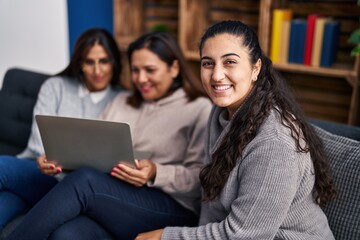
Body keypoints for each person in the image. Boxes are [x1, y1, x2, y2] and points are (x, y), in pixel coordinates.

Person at [135, 20, 337, 240]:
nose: (216, 75)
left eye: (230, 62)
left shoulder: (274, 143)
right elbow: (209, 185)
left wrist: (164, 237)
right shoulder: (222, 114)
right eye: (207, 63)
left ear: (255, 68)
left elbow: (243, 235)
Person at [6, 32, 212, 240]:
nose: (141, 79)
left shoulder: (199, 109)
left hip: (171, 205)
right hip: (116, 198)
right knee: (66, 234)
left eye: (150, 70)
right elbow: (90, 148)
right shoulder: (122, 101)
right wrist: (58, 160)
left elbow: (200, 178)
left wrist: (155, 172)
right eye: (135, 70)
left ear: (174, 68)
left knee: (84, 180)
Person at [0, 28, 123, 233]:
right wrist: (49, 160)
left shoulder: (122, 100)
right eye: (89, 62)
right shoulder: (56, 86)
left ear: (115, 63)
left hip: (75, 189)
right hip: (36, 173)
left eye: (104, 61)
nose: (97, 70)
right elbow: (38, 145)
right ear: (79, 63)